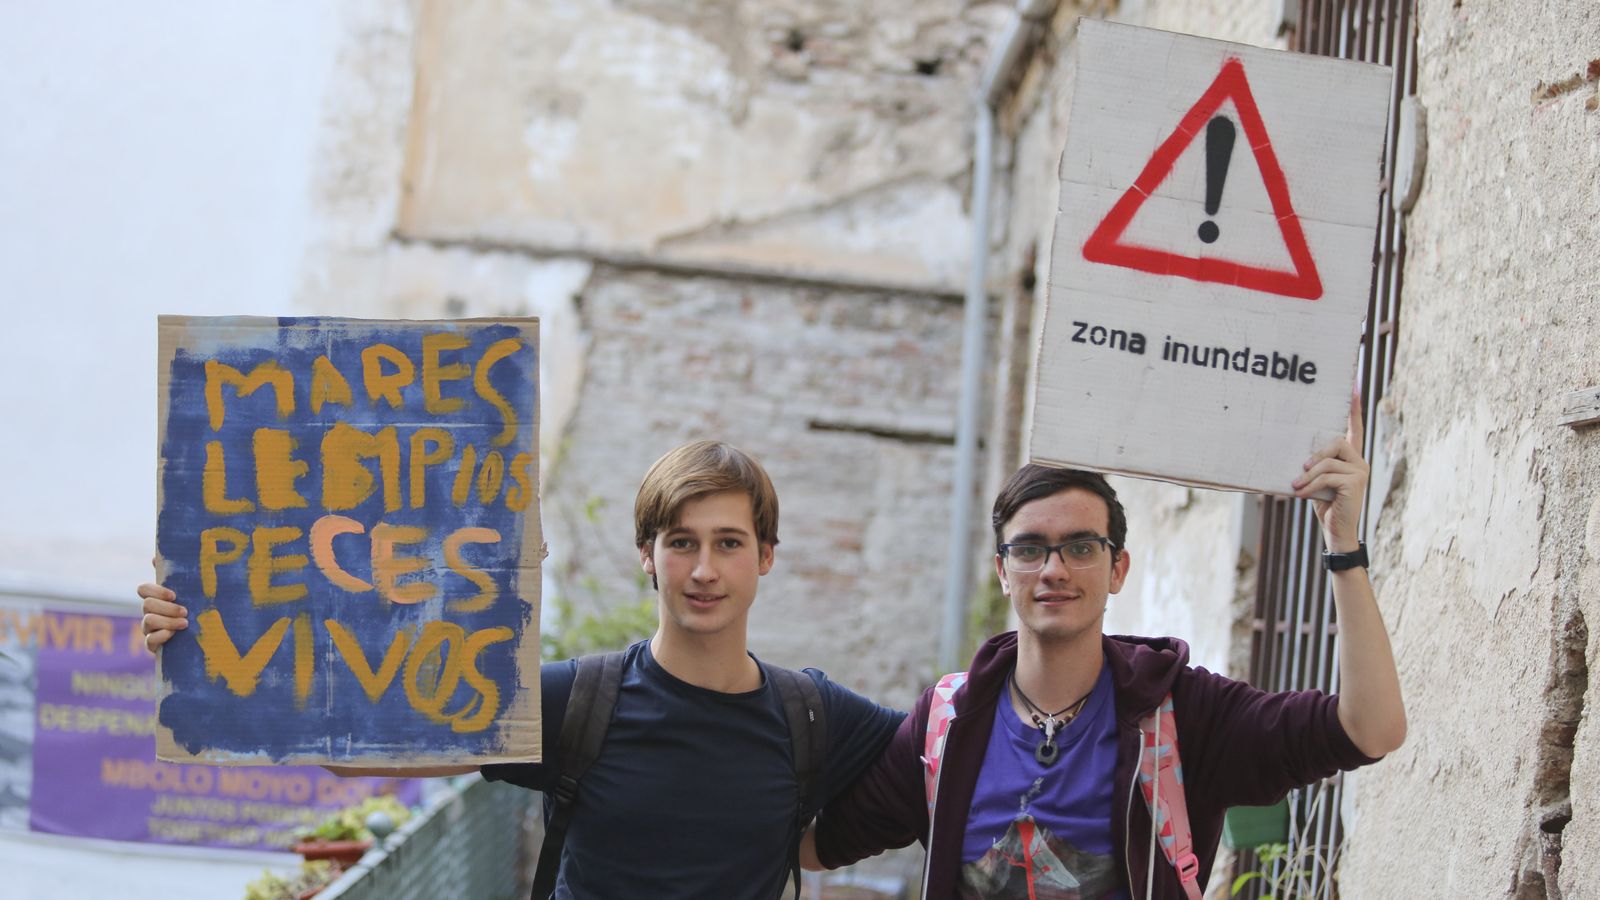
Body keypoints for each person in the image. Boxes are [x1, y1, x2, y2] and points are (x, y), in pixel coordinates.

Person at [141, 440, 904, 899]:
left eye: (729, 543)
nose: (704, 569)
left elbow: (951, 768)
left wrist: (819, 846)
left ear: (767, 557)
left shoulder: (814, 715)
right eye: (681, 541)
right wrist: (214, 639)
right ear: (647, 555)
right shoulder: (578, 701)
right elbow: (361, 752)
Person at [803, 401, 1406, 899]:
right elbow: (817, 847)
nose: (1055, 569)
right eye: (1030, 548)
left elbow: (1370, 729)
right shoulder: (946, 724)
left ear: (1118, 568)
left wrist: (1342, 547)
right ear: (1003, 571)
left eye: (1081, 547)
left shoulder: (1181, 714)